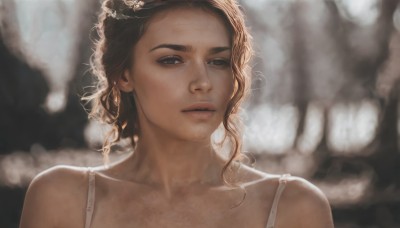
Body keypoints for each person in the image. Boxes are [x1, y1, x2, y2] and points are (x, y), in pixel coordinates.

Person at [19, 0, 334, 227]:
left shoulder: (293, 208)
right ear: (123, 75)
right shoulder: (62, 200)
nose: (202, 83)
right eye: (171, 60)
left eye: (218, 61)